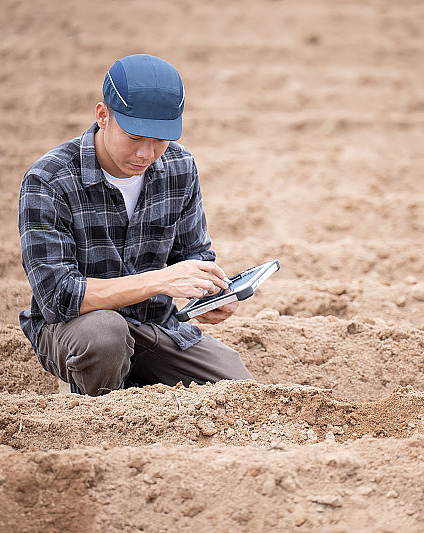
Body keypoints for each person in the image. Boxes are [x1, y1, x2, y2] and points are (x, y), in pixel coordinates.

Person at [18, 54, 254, 396]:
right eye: (134, 137)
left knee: (238, 388)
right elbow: (57, 296)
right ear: (103, 116)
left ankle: (129, 376)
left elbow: (195, 254)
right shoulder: (49, 180)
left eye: (159, 140)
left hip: (153, 324)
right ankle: (93, 399)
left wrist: (213, 292)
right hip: (74, 328)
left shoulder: (179, 166)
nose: (146, 153)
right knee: (104, 337)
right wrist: (160, 281)